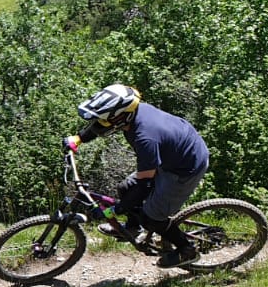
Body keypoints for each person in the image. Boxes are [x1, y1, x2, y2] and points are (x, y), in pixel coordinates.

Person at [64, 84, 209, 268]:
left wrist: (114, 211)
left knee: (152, 218)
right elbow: (101, 125)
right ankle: (133, 228)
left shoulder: (145, 138)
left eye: (105, 120)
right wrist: (78, 138)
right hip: (171, 154)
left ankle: (186, 250)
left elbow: (143, 187)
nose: (100, 123)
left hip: (185, 167)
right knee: (125, 188)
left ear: (121, 117)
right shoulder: (132, 113)